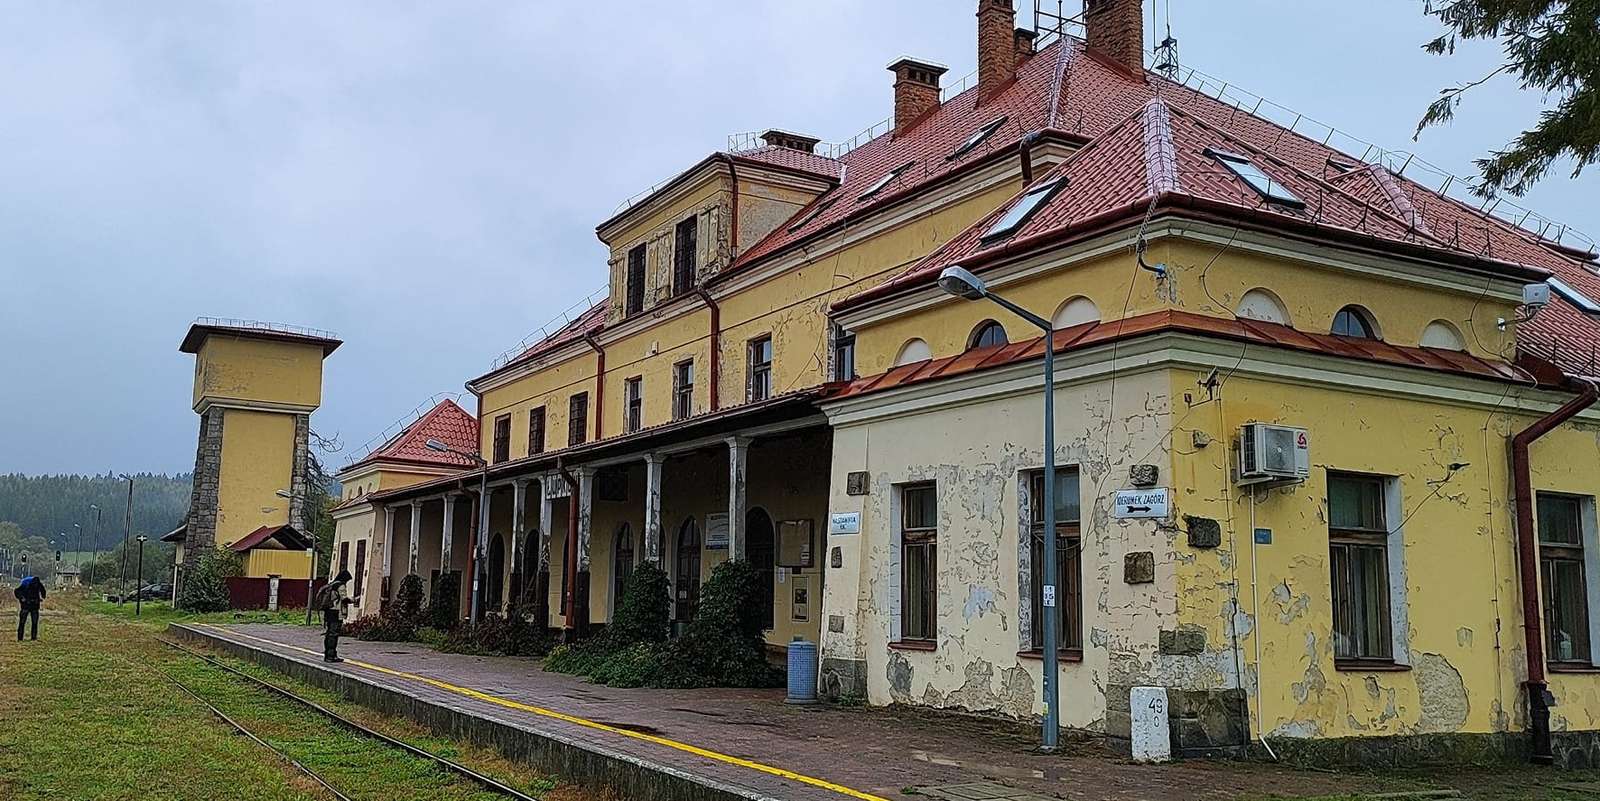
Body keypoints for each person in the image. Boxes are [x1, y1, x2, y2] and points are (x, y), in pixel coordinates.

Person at [313, 570, 356, 663]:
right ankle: (331, 656)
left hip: (328, 612)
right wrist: (353, 600)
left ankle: (328, 654)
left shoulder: (332, 584)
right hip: (336, 612)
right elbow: (344, 599)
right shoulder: (340, 586)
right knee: (334, 634)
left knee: (329, 633)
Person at [14, 575, 46, 642]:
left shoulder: (38, 584)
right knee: (22, 622)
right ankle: (20, 638)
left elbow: (43, 591)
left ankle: (33, 638)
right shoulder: (25, 584)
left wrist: (43, 596)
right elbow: (16, 591)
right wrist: (22, 598)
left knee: (34, 622)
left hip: (34, 605)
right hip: (26, 605)